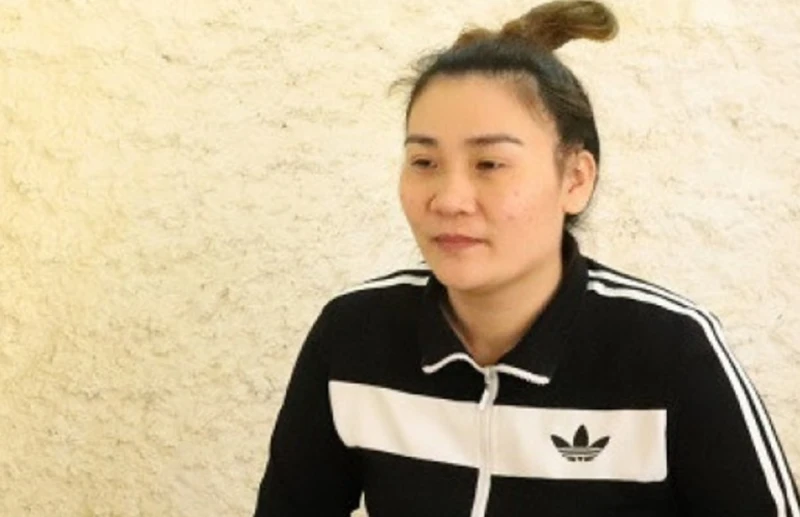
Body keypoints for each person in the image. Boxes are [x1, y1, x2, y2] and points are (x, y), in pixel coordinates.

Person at [253, 1, 799, 515]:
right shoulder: (352, 336)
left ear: (575, 179)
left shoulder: (671, 348)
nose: (449, 199)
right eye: (423, 162)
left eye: (490, 164)